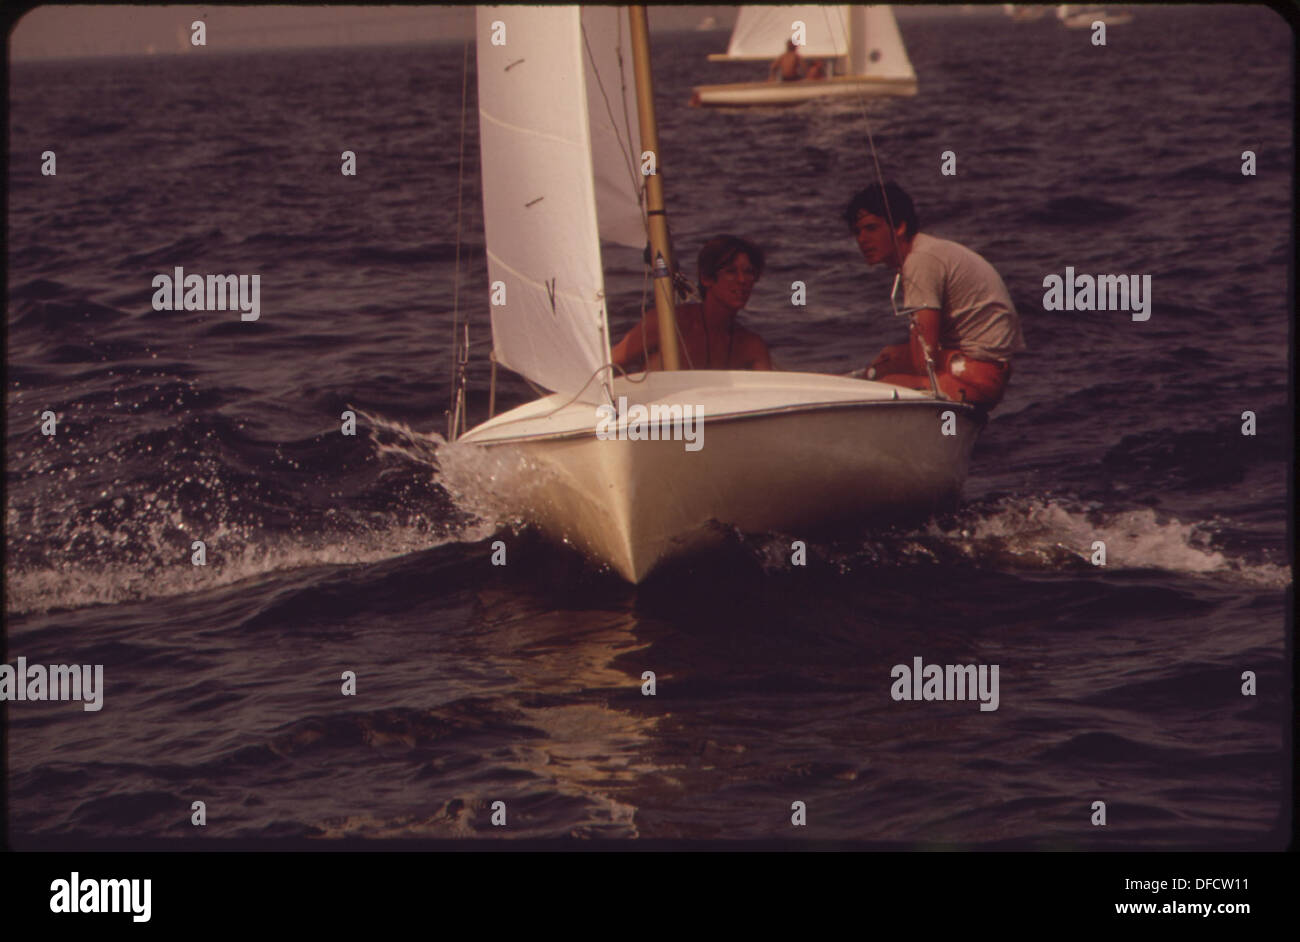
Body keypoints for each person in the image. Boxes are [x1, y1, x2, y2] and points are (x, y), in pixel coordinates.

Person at [845, 182, 1025, 409]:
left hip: (977, 377)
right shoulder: (927, 251)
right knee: (887, 359)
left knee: (881, 386)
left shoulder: (921, 261)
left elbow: (924, 360)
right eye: (857, 232)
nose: (862, 239)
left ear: (899, 227)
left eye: (871, 228)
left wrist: (880, 380)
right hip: (974, 366)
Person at [611, 236, 774, 372]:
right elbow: (607, 366)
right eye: (731, 272)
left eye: (749, 272)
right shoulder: (668, 325)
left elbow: (770, 397)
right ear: (706, 278)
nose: (742, 280)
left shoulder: (751, 346)